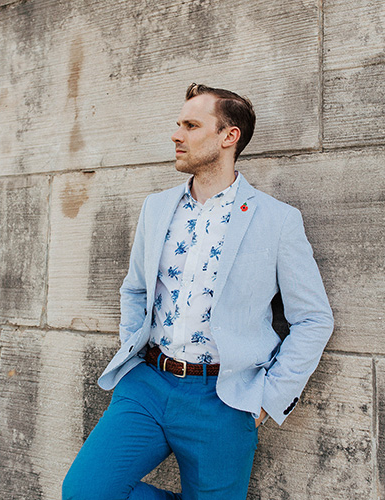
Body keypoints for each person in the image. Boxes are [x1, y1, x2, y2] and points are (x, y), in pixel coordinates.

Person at [62, 83, 334, 500]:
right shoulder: (156, 208)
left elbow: (314, 318)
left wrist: (267, 399)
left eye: (191, 125)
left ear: (229, 137)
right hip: (147, 385)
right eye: (179, 124)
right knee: (85, 492)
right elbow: (135, 289)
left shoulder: (278, 221)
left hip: (223, 400)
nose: (177, 134)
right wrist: (132, 350)